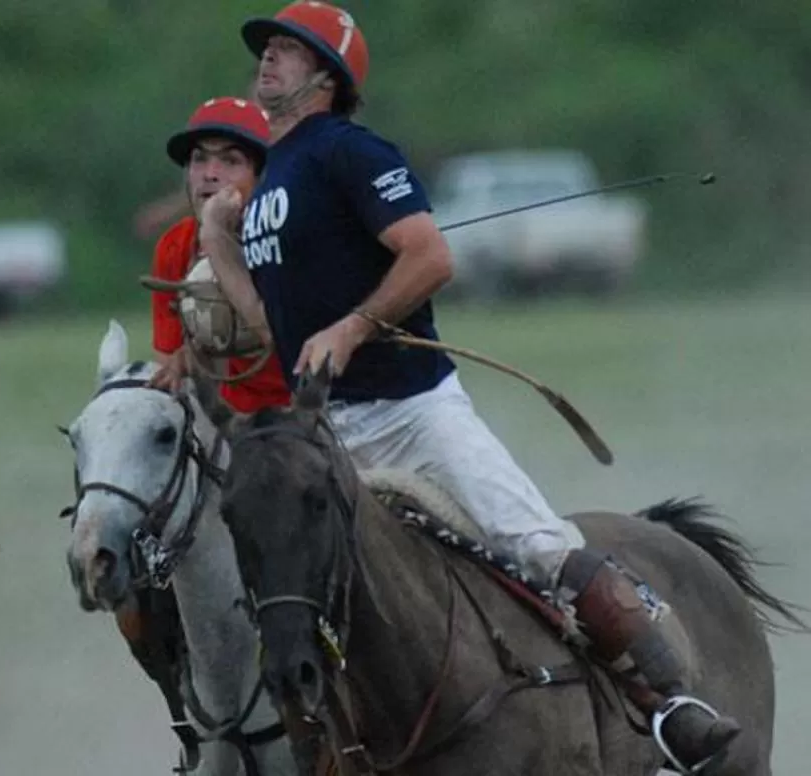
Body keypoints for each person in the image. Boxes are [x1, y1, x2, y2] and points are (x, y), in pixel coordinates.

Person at [197, 1, 741, 771]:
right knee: (298, 591)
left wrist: (352, 328)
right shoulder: (271, 180)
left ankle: (673, 705)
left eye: (289, 49)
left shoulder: (349, 151)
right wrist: (221, 241)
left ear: (328, 75)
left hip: (413, 413)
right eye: (269, 48)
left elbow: (429, 257)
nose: (268, 59)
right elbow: (269, 326)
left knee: (537, 546)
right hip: (330, 435)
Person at [148, 95, 291, 414]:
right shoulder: (175, 245)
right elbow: (170, 368)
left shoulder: (291, 237)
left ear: (263, 177)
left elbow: (285, 345)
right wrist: (186, 358)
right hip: (226, 421)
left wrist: (216, 237)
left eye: (231, 160)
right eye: (199, 159)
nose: (210, 173)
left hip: (308, 414)